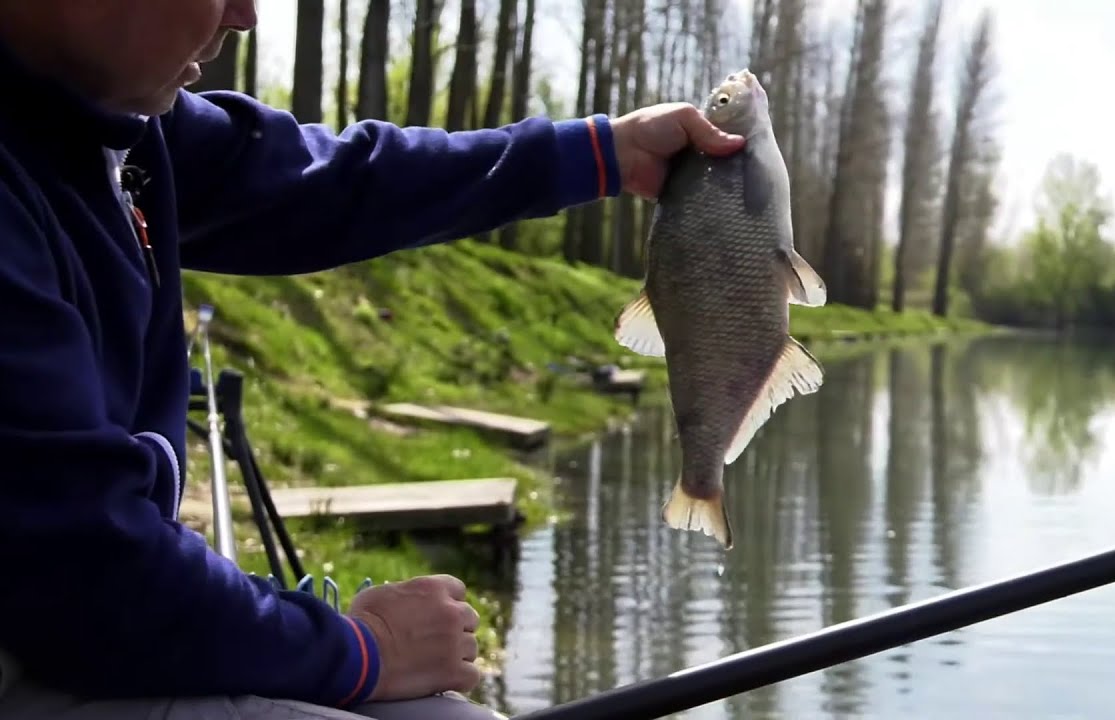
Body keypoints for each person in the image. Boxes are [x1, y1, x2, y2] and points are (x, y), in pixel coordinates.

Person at [0, 1, 745, 718]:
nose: (245, 15)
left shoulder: (107, 120)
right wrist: (365, 649)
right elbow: (86, 572)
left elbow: (333, 182)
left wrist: (600, 152)